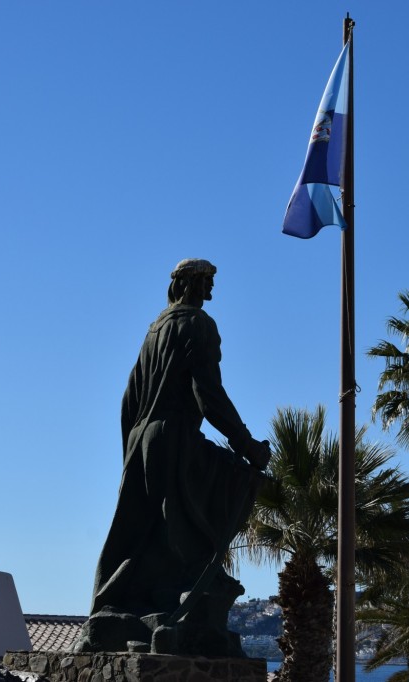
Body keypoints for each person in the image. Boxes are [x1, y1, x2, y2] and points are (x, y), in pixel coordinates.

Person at [72, 258, 270, 657]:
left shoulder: (154, 330)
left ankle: (119, 605)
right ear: (188, 284)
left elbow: (128, 398)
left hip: (141, 438)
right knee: (190, 519)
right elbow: (208, 394)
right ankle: (180, 607)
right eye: (205, 284)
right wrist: (247, 445)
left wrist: (134, 445)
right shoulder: (198, 324)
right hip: (175, 436)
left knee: (136, 528)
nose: (209, 294)